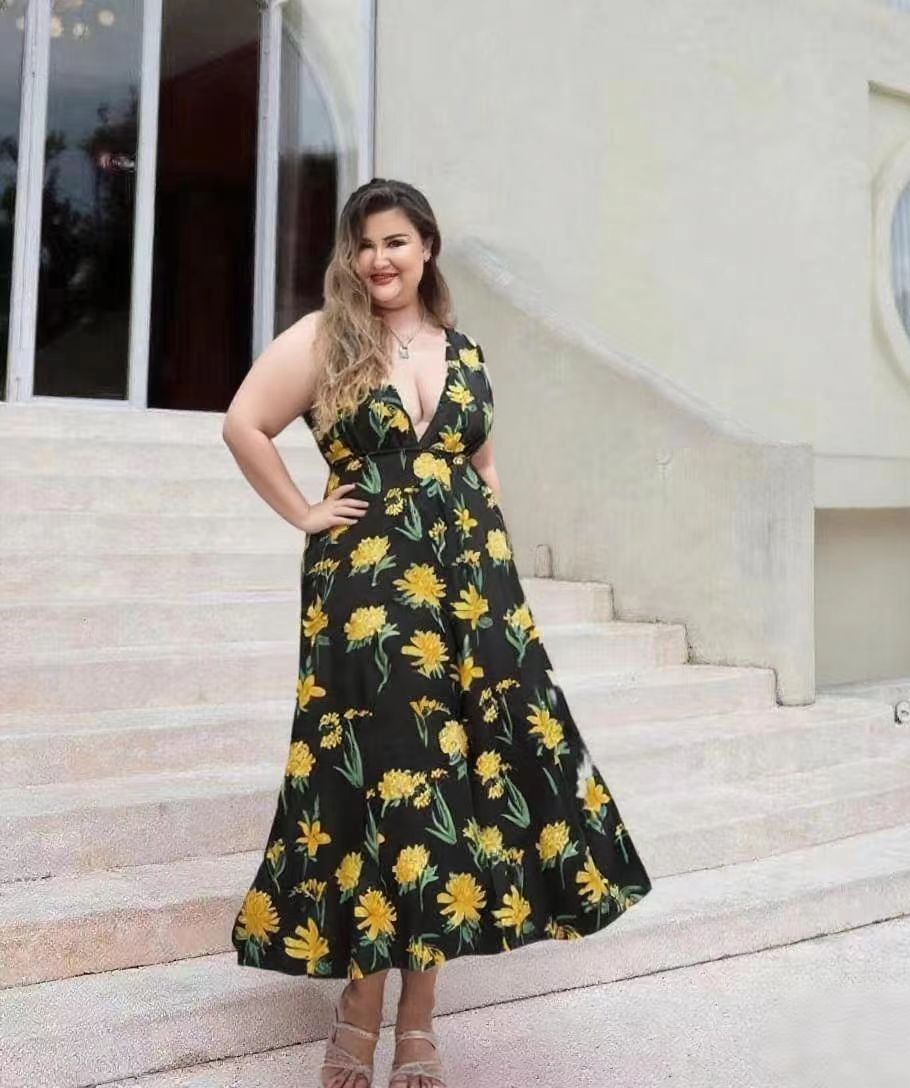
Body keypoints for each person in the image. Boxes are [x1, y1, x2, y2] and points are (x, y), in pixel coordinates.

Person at [223, 177, 653, 1088]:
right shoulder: (324, 339)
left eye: (395, 241)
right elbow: (244, 425)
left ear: (426, 248)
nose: (378, 259)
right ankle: (360, 1007)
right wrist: (304, 512)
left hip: (469, 595)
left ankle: (418, 1018)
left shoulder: (465, 352)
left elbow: (483, 467)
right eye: (364, 244)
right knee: (389, 783)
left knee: (456, 788)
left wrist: (497, 584)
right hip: (368, 593)